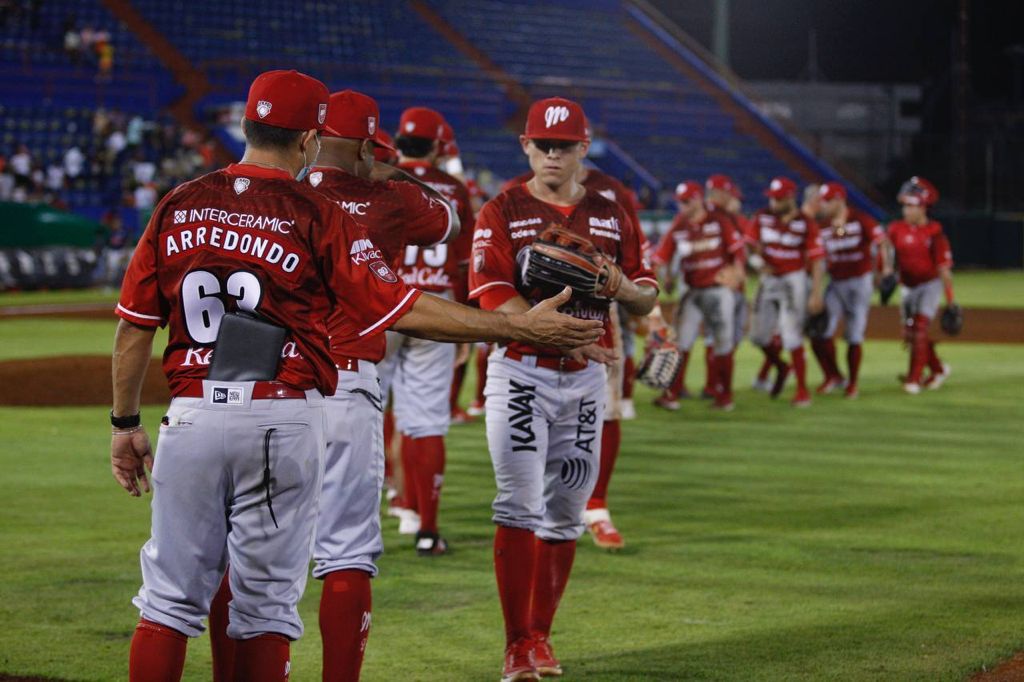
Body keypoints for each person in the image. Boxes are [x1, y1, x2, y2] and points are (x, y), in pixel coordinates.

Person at [110, 70, 603, 682]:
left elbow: (134, 326)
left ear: (246, 125)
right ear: (309, 137)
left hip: (192, 411)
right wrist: (520, 328)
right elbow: (404, 305)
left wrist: (124, 423)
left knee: (168, 602)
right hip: (287, 407)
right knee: (272, 602)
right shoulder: (316, 212)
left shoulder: (179, 202)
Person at [468, 97, 658, 680]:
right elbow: (493, 292)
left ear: (584, 147)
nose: (553, 154)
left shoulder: (611, 209)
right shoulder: (501, 209)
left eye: (565, 145)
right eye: (542, 145)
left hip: (586, 381)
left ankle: (541, 637)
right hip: (522, 371)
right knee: (518, 504)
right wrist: (560, 336)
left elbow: (647, 294)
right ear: (525, 146)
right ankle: (516, 643)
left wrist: (621, 287)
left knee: (567, 510)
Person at [380, 105, 475, 556]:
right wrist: (468, 327)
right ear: (438, 145)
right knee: (426, 422)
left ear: (399, 141)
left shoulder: (382, 177)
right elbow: (464, 265)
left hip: (383, 305)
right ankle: (426, 527)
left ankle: (385, 506)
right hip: (437, 308)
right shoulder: (453, 188)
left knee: (362, 412)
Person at [653, 181, 745, 411]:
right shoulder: (679, 225)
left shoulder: (719, 220)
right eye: (679, 202)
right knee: (681, 341)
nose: (681, 206)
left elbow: (738, 251)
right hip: (692, 290)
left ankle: (725, 397)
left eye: (686, 202)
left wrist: (737, 272)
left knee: (723, 342)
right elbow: (660, 257)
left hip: (718, 289)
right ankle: (672, 395)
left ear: (698, 199)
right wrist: (665, 278)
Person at [749, 176, 825, 407]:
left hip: (794, 279)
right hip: (769, 279)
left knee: (792, 334)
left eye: (779, 199)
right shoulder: (762, 217)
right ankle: (782, 367)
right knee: (758, 336)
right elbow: (749, 245)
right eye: (772, 198)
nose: (774, 203)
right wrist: (755, 261)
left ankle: (802, 391)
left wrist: (816, 293)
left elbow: (818, 259)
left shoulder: (806, 223)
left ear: (790, 197)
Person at [811, 182, 888, 398]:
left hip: (859, 282)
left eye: (826, 201)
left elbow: (882, 242)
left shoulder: (860, 219)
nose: (823, 205)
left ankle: (852, 383)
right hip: (835, 282)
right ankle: (833, 376)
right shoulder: (823, 225)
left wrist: (884, 270)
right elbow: (818, 258)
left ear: (838, 200)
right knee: (820, 331)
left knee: (854, 334)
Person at [885, 176, 954, 393]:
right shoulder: (896, 229)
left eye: (911, 205)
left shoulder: (934, 232)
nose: (906, 210)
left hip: (929, 285)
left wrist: (951, 300)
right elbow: (887, 252)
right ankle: (938, 368)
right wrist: (887, 273)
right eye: (904, 205)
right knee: (910, 333)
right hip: (907, 286)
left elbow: (943, 268)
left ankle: (914, 378)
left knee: (920, 327)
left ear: (923, 207)